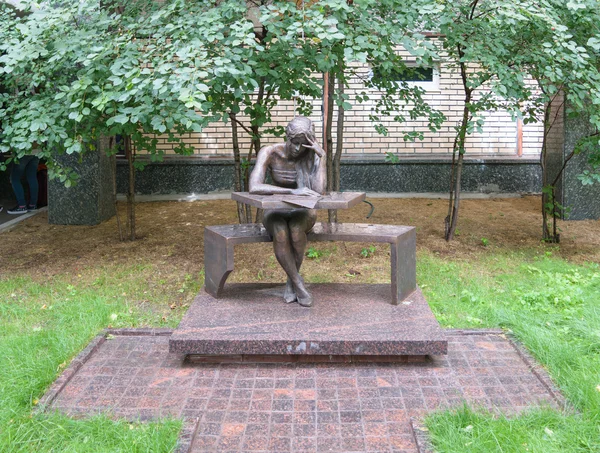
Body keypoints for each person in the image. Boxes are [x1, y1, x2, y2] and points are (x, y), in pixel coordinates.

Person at [249, 116, 326, 307]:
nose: (298, 149)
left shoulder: (310, 155)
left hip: (302, 211)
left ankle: (291, 283)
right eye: (295, 143)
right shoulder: (270, 152)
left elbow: (318, 191)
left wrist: (320, 157)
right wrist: (292, 190)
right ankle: (298, 283)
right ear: (287, 137)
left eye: (303, 144)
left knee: (296, 230)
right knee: (281, 232)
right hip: (275, 210)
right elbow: (254, 186)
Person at [7, 150, 40, 215]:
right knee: (32, 177)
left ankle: (21, 206)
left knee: (14, 179)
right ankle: (33, 205)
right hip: (37, 151)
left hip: (23, 151)